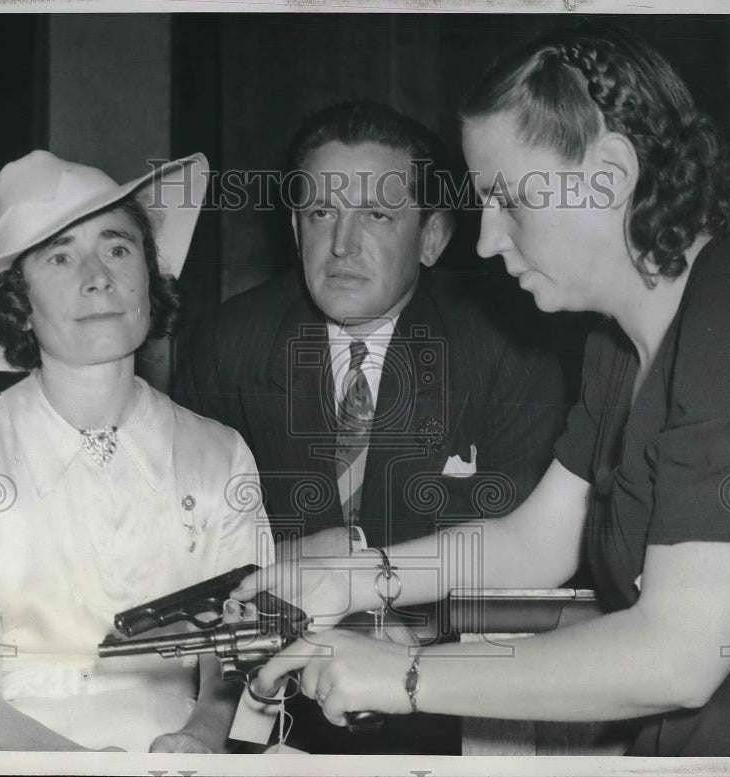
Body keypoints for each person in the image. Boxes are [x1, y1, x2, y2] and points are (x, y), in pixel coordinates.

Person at [237, 31, 730, 757]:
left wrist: (405, 674)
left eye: (507, 199)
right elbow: (534, 543)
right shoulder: (618, 349)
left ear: (611, 173)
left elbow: (678, 656)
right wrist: (350, 578)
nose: (488, 240)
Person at [173, 100, 567, 753]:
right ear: (296, 230)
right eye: (321, 213)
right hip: (271, 698)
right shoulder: (226, 346)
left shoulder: (509, 349)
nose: (342, 245)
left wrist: (373, 579)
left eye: (377, 215)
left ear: (433, 237)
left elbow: (528, 562)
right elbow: (196, 551)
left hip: (450, 697)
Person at [0, 150, 272, 752]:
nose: (97, 276)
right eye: (60, 256)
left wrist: (202, 739)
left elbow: (234, 662)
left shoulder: (220, 454)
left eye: (118, 247)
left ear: (149, 281)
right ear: (17, 306)